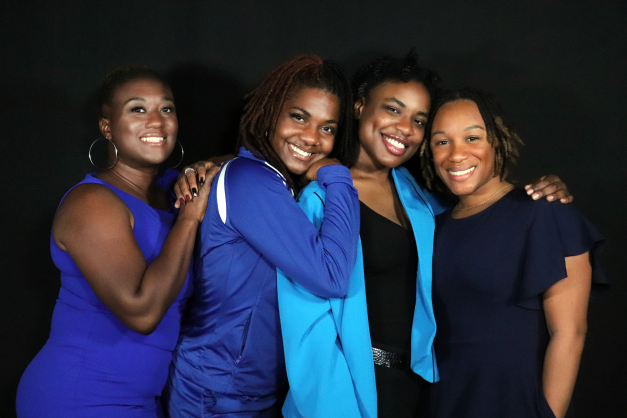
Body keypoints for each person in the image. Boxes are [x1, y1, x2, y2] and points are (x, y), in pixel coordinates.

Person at [275, 52, 575, 418]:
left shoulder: (418, 199)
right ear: (358, 107)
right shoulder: (320, 197)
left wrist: (543, 191)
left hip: (417, 393)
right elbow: (304, 325)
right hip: (347, 392)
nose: (405, 127)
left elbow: (482, 214)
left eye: (418, 120)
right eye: (393, 109)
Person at [15, 65, 218, 418]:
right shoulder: (92, 202)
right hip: (78, 396)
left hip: (142, 400)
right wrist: (189, 218)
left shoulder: (170, 190)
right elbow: (141, 312)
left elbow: (235, 165)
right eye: (137, 109)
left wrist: (200, 167)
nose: (156, 121)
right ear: (106, 126)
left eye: (166, 109)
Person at [163, 54, 359, 418]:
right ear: (271, 112)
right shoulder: (251, 180)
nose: (312, 138)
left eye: (328, 128)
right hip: (216, 392)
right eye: (299, 117)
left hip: (247, 391)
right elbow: (331, 276)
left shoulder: (270, 181)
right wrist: (338, 176)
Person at [419, 89, 606, 418]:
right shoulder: (431, 227)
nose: (456, 155)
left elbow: (570, 333)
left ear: (497, 139)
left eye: (472, 137)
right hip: (447, 402)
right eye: (441, 141)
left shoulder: (545, 213)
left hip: (517, 403)